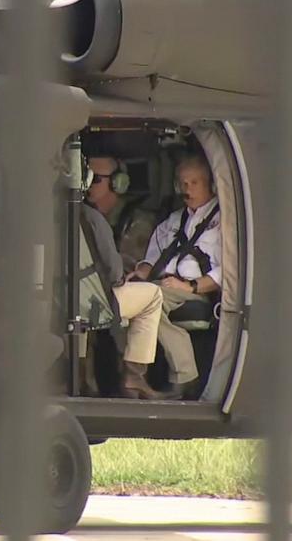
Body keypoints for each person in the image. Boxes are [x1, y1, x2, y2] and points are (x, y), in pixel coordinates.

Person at [130, 154, 221, 399]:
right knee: (124, 298)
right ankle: (134, 376)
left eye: (194, 183)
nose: (187, 189)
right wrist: (141, 272)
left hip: (194, 292)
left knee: (146, 300)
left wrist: (190, 286)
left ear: (210, 185)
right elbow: (152, 258)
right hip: (162, 284)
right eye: (183, 183)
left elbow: (227, 272)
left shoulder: (224, 222)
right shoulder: (172, 221)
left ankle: (183, 376)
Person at [81, 202, 166, 399]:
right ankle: (134, 376)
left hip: (54, 303)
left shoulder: (35, 217)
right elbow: (114, 272)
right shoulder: (91, 217)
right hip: (93, 301)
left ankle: (78, 377)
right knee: (152, 296)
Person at [86, 156, 158, 272]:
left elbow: (126, 271)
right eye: (85, 177)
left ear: (117, 182)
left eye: (95, 178)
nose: (87, 183)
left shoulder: (138, 223)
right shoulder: (82, 214)